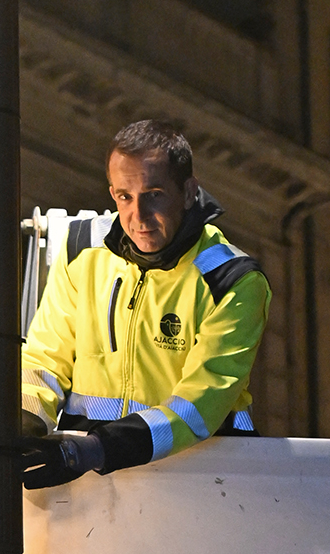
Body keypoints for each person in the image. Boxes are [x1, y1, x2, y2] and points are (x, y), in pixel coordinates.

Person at [20, 119, 270, 489]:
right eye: (124, 196)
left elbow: (198, 407)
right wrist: (22, 422)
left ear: (187, 192)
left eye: (153, 194)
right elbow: (44, 359)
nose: (137, 215)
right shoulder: (80, 249)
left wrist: (97, 449)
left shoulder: (232, 280)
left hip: (199, 483)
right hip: (86, 476)